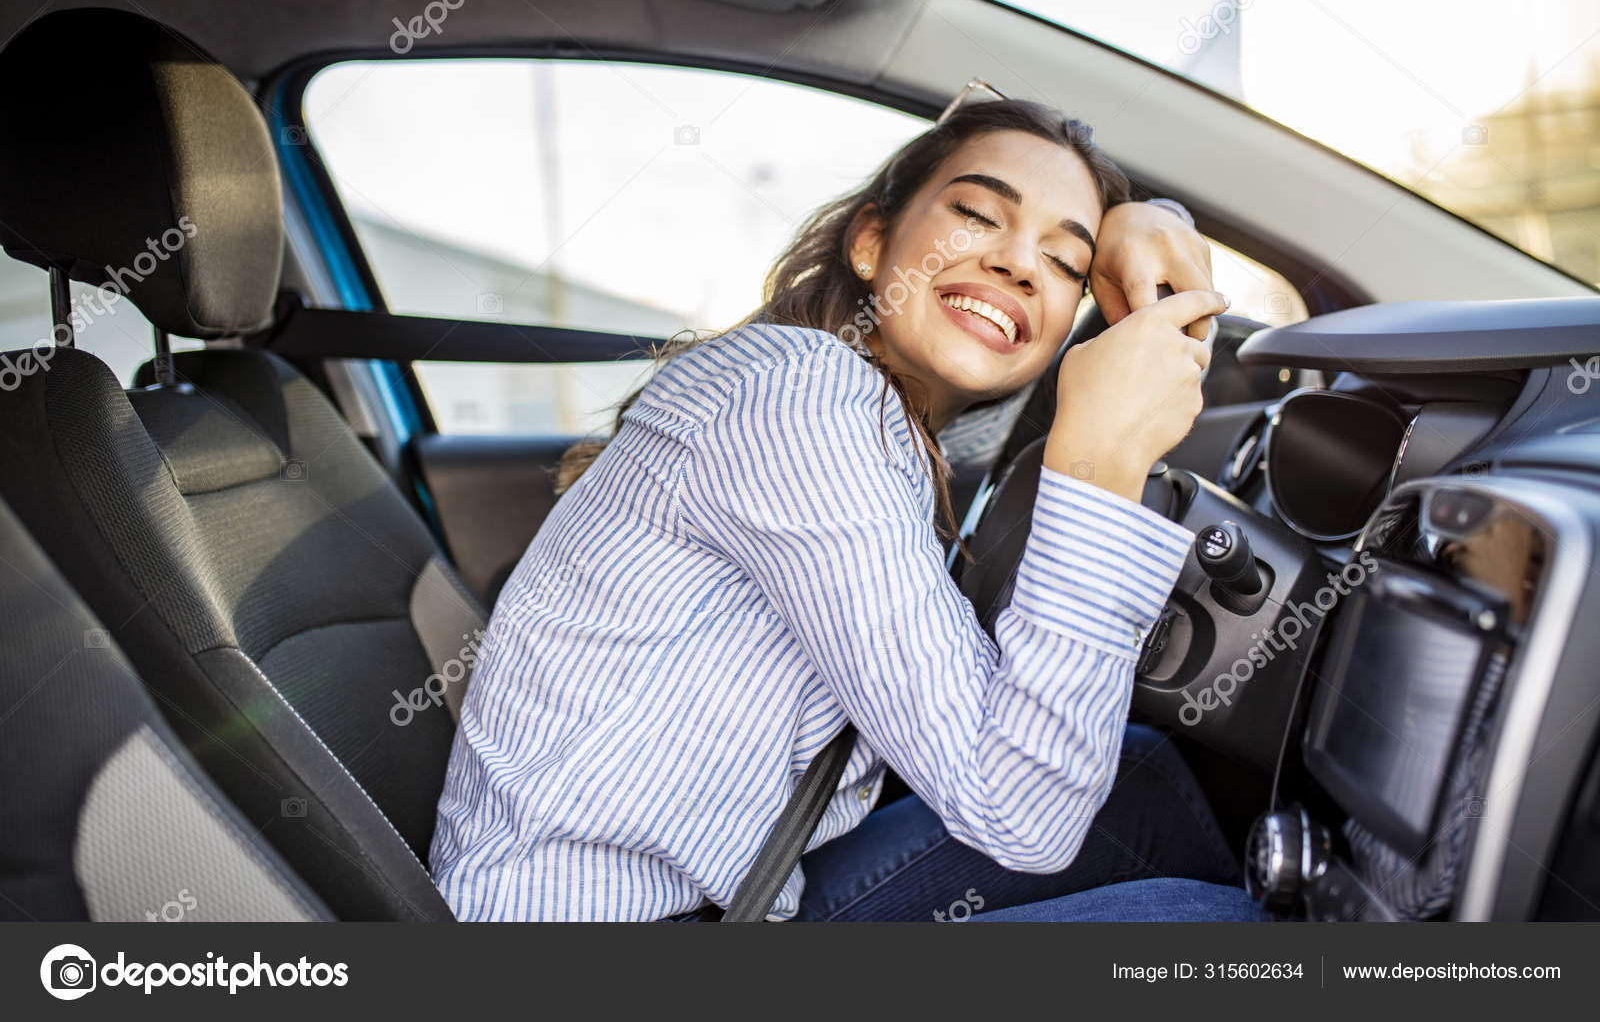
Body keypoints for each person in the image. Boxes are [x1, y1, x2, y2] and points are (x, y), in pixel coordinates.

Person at [428, 96, 1264, 922]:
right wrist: (1101, 463)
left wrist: (1144, 218)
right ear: (871, 242)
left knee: (1142, 777)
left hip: (739, 893)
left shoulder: (886, 423)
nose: (1018, 264)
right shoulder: (802, 395)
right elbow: (1024, 812)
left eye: (1064, 264)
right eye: (978, 213)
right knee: (1219, 933)